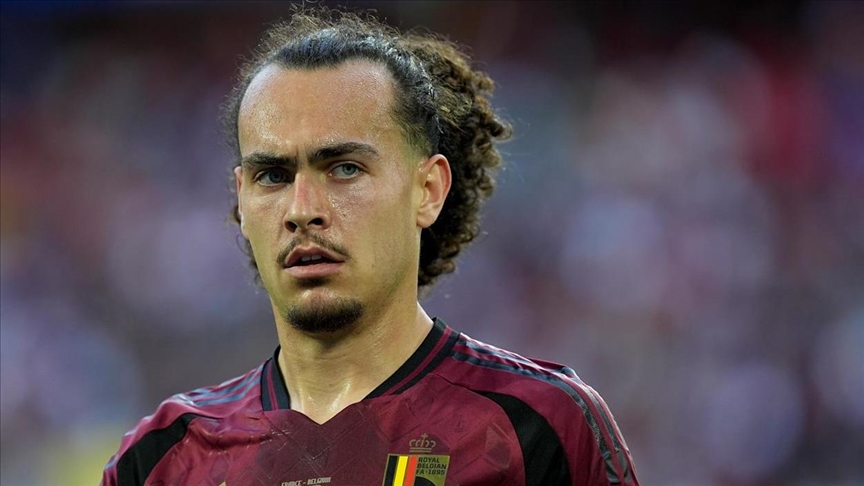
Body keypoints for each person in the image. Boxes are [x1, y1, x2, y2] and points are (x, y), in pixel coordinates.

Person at [101, 6, 639, 486]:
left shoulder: (540, 426)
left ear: (427, 190)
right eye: (273, 176)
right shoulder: (160, 460)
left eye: (344, 168)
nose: (302, 209)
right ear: (242, 200)